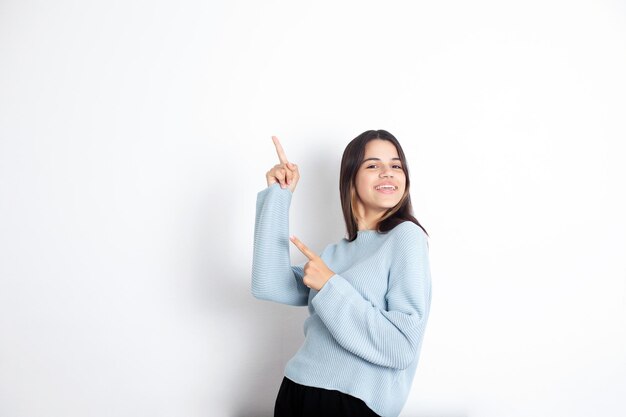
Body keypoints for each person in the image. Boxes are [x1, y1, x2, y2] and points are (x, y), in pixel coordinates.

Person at [251, 130, 432, 417]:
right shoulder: (335, 252)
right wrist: (279, 194)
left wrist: (330, 285)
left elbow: (401, 347)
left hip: (349, 405)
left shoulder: (405, 237)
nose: (388, 173)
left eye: (396, 166)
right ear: (350, 177)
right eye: (373, 165)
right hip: (295, 391)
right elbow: (269, 284)